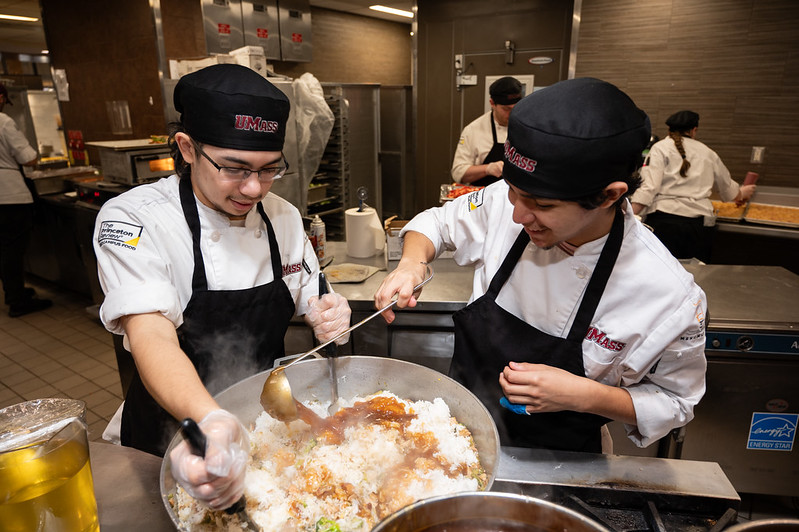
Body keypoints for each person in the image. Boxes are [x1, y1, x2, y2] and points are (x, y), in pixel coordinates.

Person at [375, 78, 707, 454]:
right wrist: (411, 264)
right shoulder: (509, 199)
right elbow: (438, 222)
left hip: (567, 463)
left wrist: (584, 395)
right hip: (460, 440)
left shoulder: (668, 294)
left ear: (609, 195)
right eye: (513, 192)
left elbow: (677, 402)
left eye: (542, 205)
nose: (518, 215)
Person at [93, 64, 351, 509]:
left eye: (269, 169)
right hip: (170, 433)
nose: (254, 188)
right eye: (235, 168)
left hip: (261, 422)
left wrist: (330, 315)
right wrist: (210, 420)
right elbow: (151, 335)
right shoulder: (135, 219)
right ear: (187, 148)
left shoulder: (284, 217)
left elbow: (313, 294)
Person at [631, 110, 756, 263]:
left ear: (669, 130)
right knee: (696, 272)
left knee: (660, 270)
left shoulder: (660, 148)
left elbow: (649, 187)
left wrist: (628, 215)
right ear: (694, 130)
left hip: (664, 223)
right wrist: (742, 193)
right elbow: (729, 190)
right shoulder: (708, 153)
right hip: (699, 227)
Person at [0, 82, 53, 317]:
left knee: (3, 248)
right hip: (10, 196)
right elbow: (28, 157)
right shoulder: (3, 122)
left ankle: (14, 291)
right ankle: (17, 299)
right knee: (13, 249)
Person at [450, 76, 523, 187]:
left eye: (516, 108)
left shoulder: (526, 127)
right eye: (506, 109)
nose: (512, 114)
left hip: (518, 194)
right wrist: (488, 169)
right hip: (484, 195)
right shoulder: (473, 130)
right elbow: (458, 172)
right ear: (492, 103)